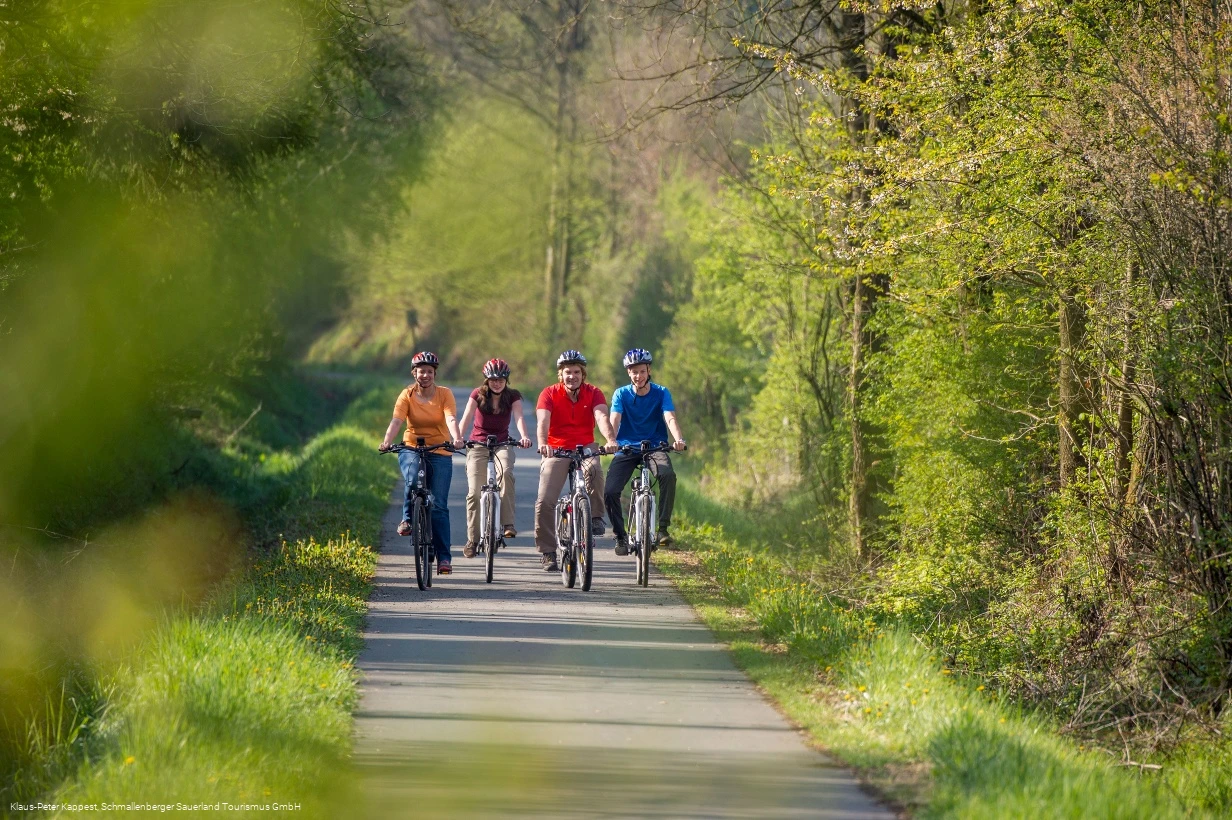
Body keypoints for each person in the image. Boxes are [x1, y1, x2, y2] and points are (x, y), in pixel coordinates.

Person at [378, 351, 464, 575]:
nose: (425, 375)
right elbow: (397, 421)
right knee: (413, 477)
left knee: (439, 507)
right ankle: (407, 519)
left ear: (435, 373)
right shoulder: (406, 394)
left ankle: (444, 558)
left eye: (429, 371)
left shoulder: (445, 394)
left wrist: (456, 438)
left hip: (440, 449)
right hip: (411, 447)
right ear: (414, 373)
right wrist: (387, 441)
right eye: (420, 371)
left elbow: (451, 418)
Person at [534, 349, 618, 571]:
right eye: (567, 372)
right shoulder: (549, 393)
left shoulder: (594, 393)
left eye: (577, 372)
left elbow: (601, 416)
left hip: (585, 447)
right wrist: (544, 444)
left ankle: (596, 517)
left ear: (583, 374)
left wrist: (610, 439)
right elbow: (543, 421)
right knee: (545, 501)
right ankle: (548, 552)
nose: (572, 376)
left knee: (595, 471)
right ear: (560, 375)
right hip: (557, 448)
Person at [604, 348, 687, 555]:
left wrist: (678, 439)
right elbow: (614, 419)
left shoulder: (661, 392)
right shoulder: (621, 394)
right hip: (626, 447)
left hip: (655, 446)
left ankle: (662, 529)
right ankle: (621, 536)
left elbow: (670, 417)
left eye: (641, 371)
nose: (638, 376)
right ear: (628, 373)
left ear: (648, 370)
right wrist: (611, 441)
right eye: (633, 372)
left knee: (667, 475)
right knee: (610, 491)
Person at [456, 358, 532, 558]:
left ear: (507, 380)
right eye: (492, 379)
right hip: (478, 445)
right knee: (474, 493)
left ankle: (507, 523)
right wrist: (458, 438)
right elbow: (466, 418)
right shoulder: (477, 395)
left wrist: (524, 436)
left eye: (501, 379)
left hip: (502, 444)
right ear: (486, 380)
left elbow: (519, 418)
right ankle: (472, 540)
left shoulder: (512, 396)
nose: (497, 383)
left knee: (506, 473)